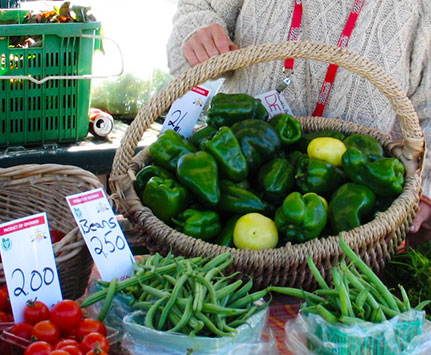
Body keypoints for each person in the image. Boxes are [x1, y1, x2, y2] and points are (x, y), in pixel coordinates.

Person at [166, 0, 431, 242]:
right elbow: (197, 8)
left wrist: (427, 189)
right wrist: (198, 33)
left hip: (359, 212)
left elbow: (428, 110)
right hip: (237, 181)